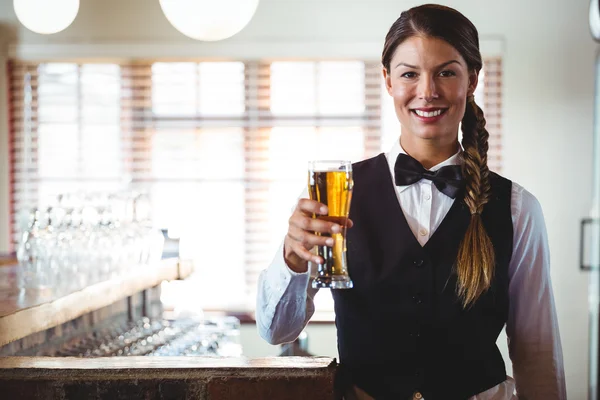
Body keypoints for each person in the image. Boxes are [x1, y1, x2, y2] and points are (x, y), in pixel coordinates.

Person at [255, 4, 566, 400]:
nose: (427, 91)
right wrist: (292, 257)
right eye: (409, 74)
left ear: (471, 80)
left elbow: (538, 352)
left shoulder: (518, 209)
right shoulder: (330, 197)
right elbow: (276, 331)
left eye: (446, 72)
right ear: (387, 80)